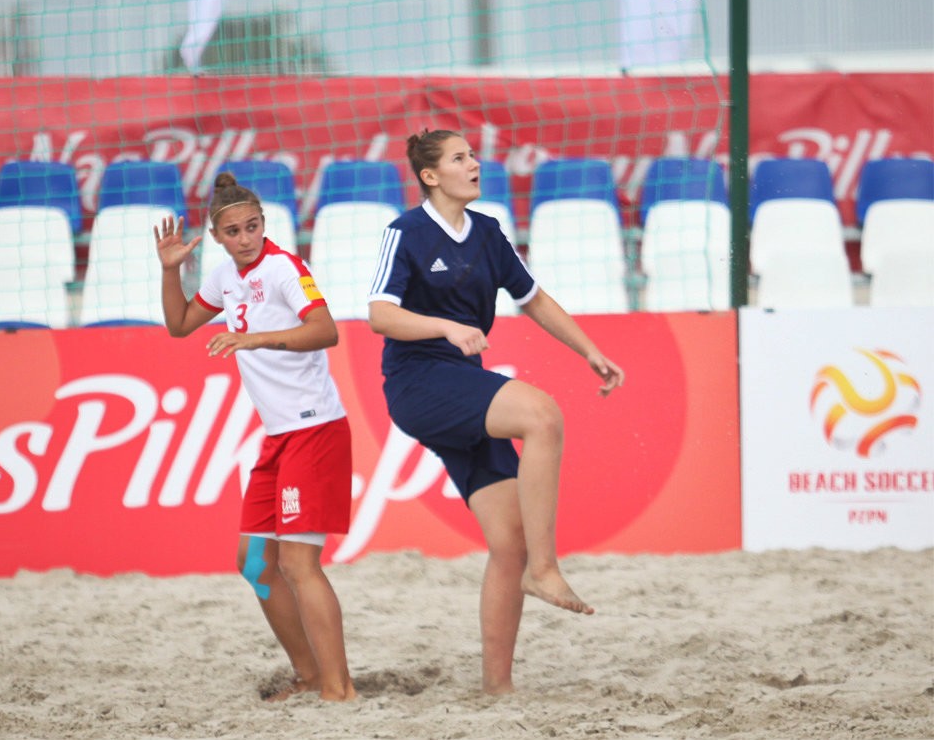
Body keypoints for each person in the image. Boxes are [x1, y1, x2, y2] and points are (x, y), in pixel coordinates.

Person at [367, 129, 625, 695]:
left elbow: (532, 297)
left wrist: (589, 351)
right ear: (431, 176)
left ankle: (497, 689)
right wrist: (446, 326)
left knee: (509, 541)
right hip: (419, 382)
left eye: (474, 155)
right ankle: (547, 569)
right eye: (460, 157)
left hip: (464, 381)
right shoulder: (405, 233)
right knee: (543, 416)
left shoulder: (486, 232)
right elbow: (380, 316)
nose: (475, 163)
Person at [153, 171, 356, 702]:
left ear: (265, 223)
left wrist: (256, 338)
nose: (246, 238)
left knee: (296, 563)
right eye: (235, 231)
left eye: (254, 227)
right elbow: (178, 325)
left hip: (314, 427)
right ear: (217, 236)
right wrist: (171, 271)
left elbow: (326, 330)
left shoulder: (285, 268)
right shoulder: (224, 274)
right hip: (279, 436)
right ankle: (310, 676)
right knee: (253, 563)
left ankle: (339, 688)